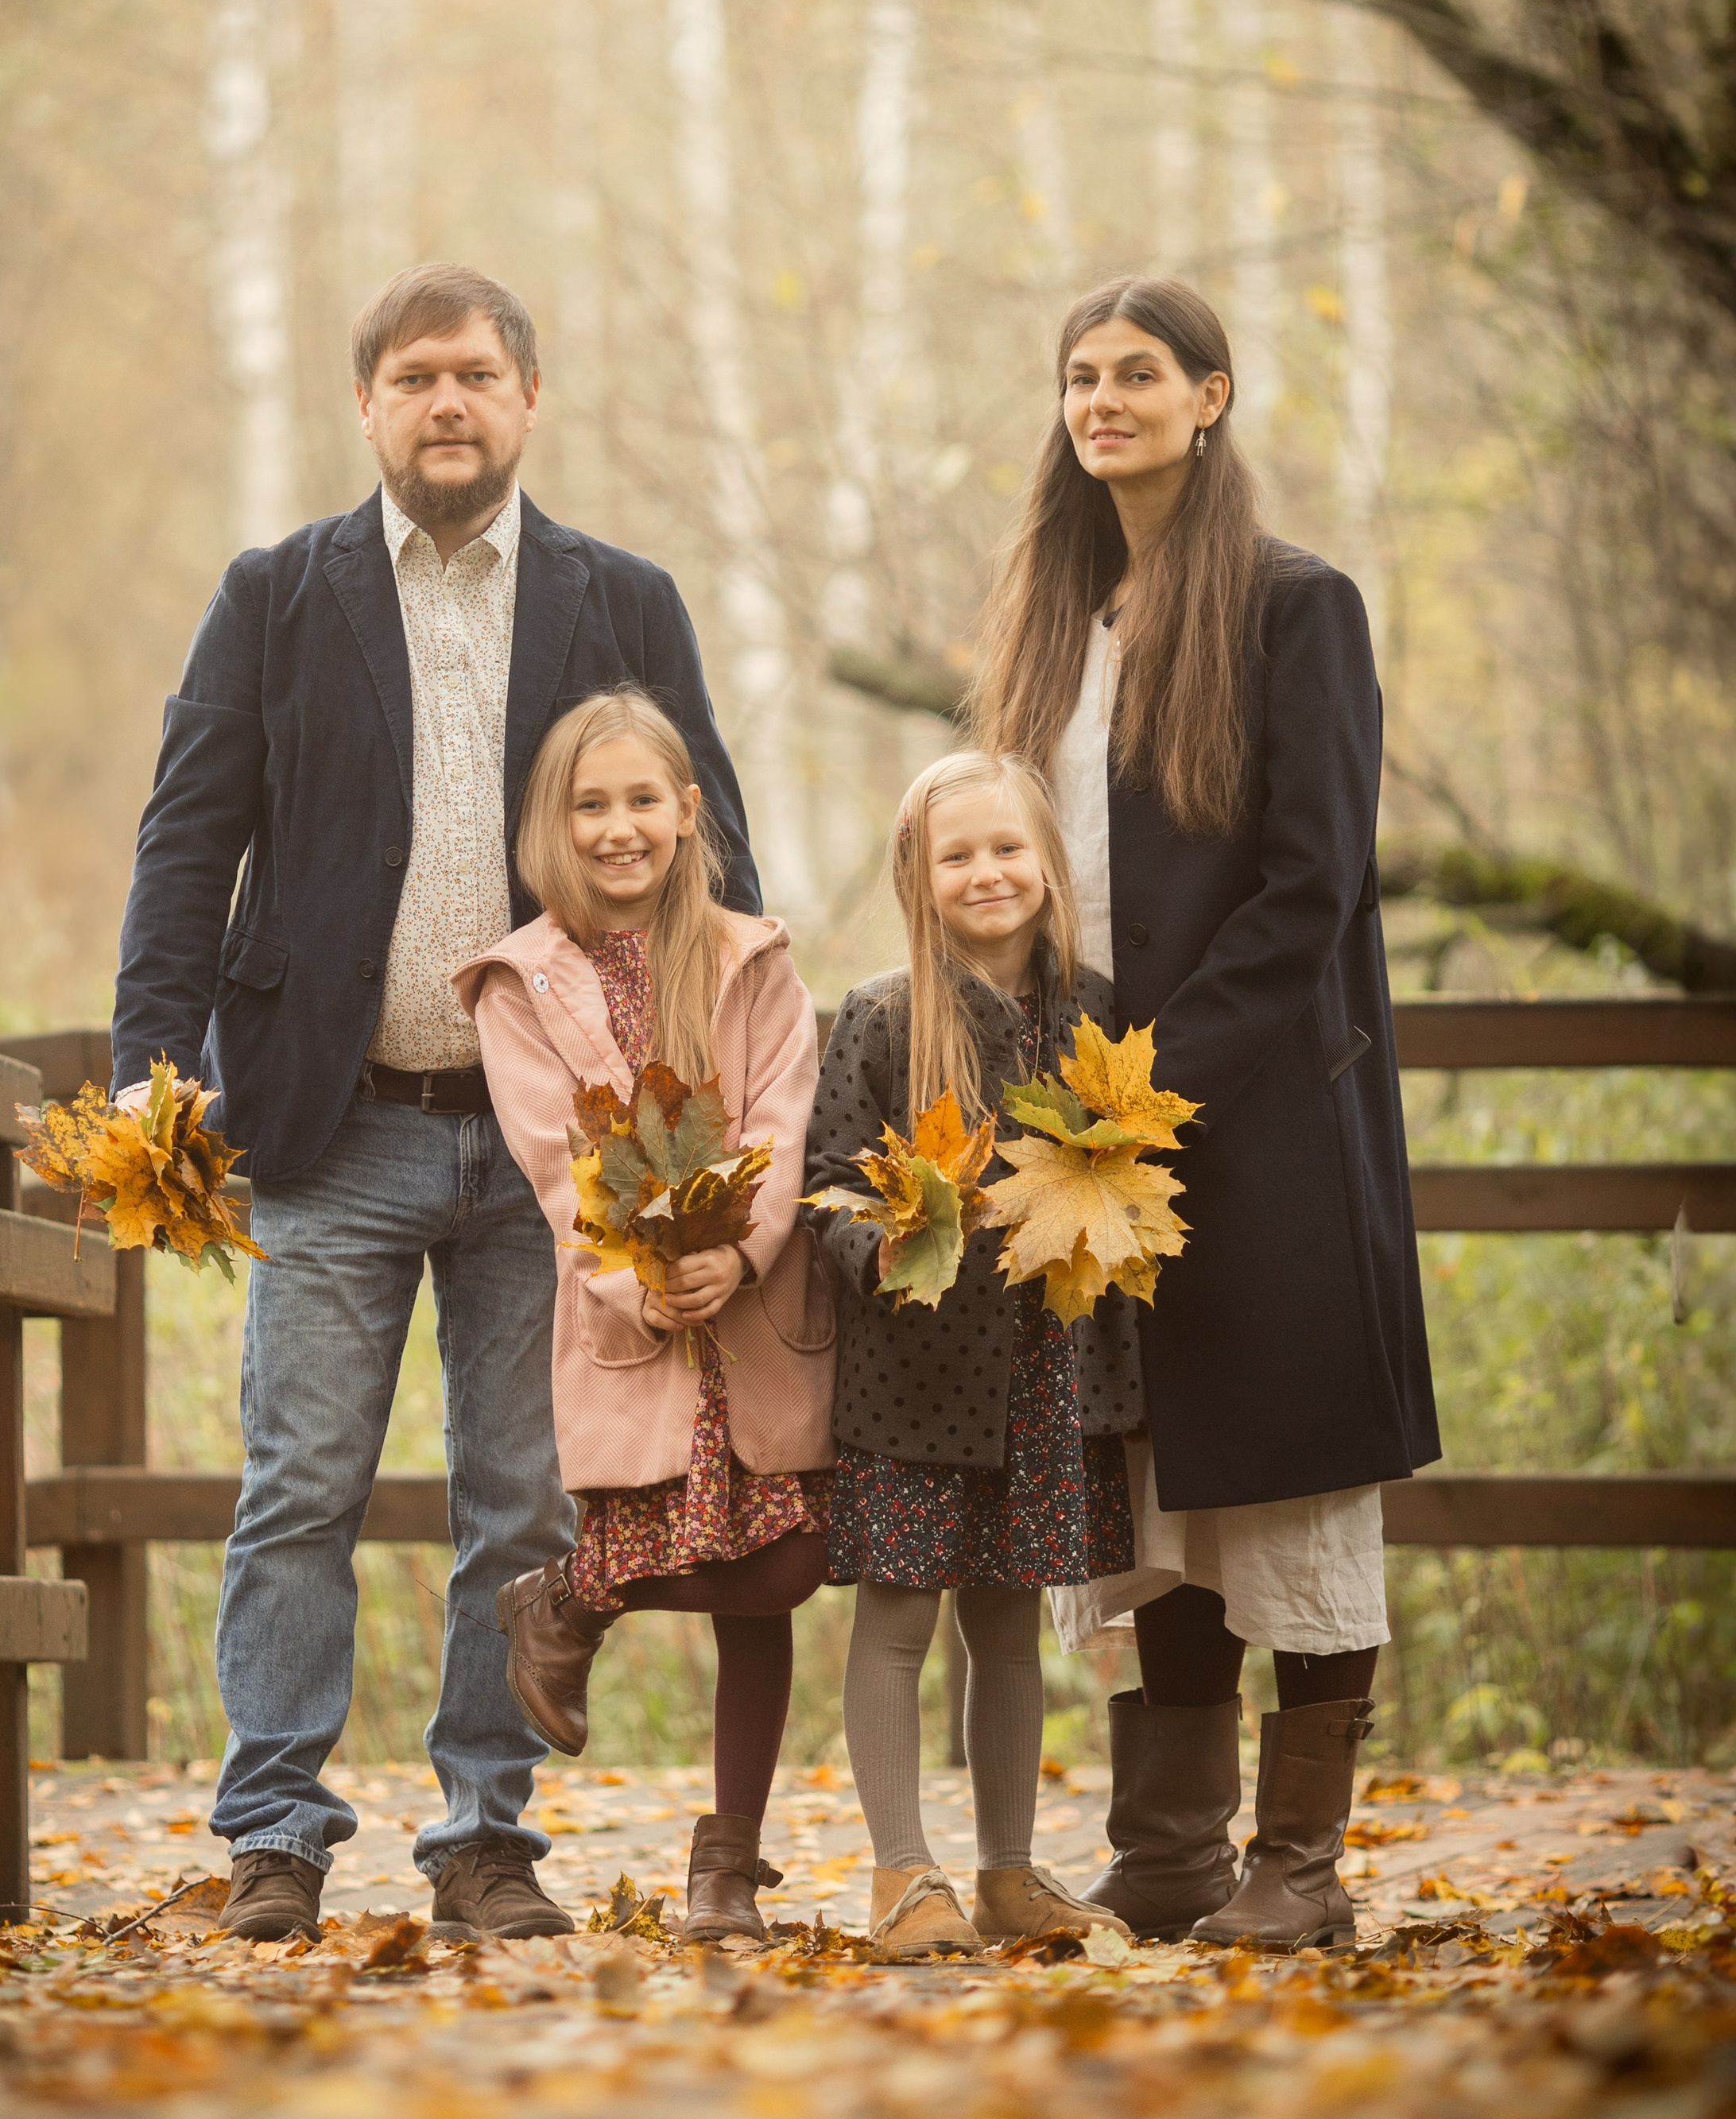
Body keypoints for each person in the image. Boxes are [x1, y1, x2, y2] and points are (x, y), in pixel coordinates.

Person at [110, 262, 760, 1945]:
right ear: (368, 408)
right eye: (413, 378)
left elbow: (713, 850)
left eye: (473, 373)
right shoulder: (274, 596)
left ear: (526, 398)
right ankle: (274, 1832)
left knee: (519, 1507)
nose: (446, 403)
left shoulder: (621, 596)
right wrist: (148, 1059)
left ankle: (485, 1836)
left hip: (560, 1144)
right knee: (299, 1486)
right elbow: (188, 841)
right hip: (326, 1123)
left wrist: (705, 1105)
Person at [971, 275, 1440, 1953]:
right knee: (1154, 1477)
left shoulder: (1293, 607)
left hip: (1254, 1120)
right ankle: (1168, 1849)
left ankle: (1295, 1863)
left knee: (1291, 1477)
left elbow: (1311, 883)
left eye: (1140, 373)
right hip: (1081, 1131)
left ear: (1211, 396)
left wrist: (1149, 1091)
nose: (1104, 398)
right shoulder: (1051, 615)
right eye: (1081, 375)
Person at [455, 688, 835, 1945]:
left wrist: (746, 1247)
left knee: (780, 1571)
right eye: (590, 804)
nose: (618, 828)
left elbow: (783, 1122)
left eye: (640, 800)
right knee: (738, 1574)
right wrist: (648, 1278)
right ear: (554, 825)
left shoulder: (750, 958)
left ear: (686, 811)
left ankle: (727, 1863)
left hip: (756, 1313)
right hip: (639, 1327)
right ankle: (571, 1593)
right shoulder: (521, 984)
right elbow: (562, 1173)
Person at [804, 752, 1141, 1959]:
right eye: (959, 854)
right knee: (899, 1616)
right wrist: (889, 1251)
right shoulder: (886, 1016)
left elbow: (1132, 1175)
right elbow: (826, 1186)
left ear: (1049, 863)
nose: (988, 872)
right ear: (919, 874)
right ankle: (904, 1875)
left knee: (1007, 1622)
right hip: (912, 1370)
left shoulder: (1094, 1012)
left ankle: (1006, 1871)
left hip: (1047, 1367)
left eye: (1009, 848)